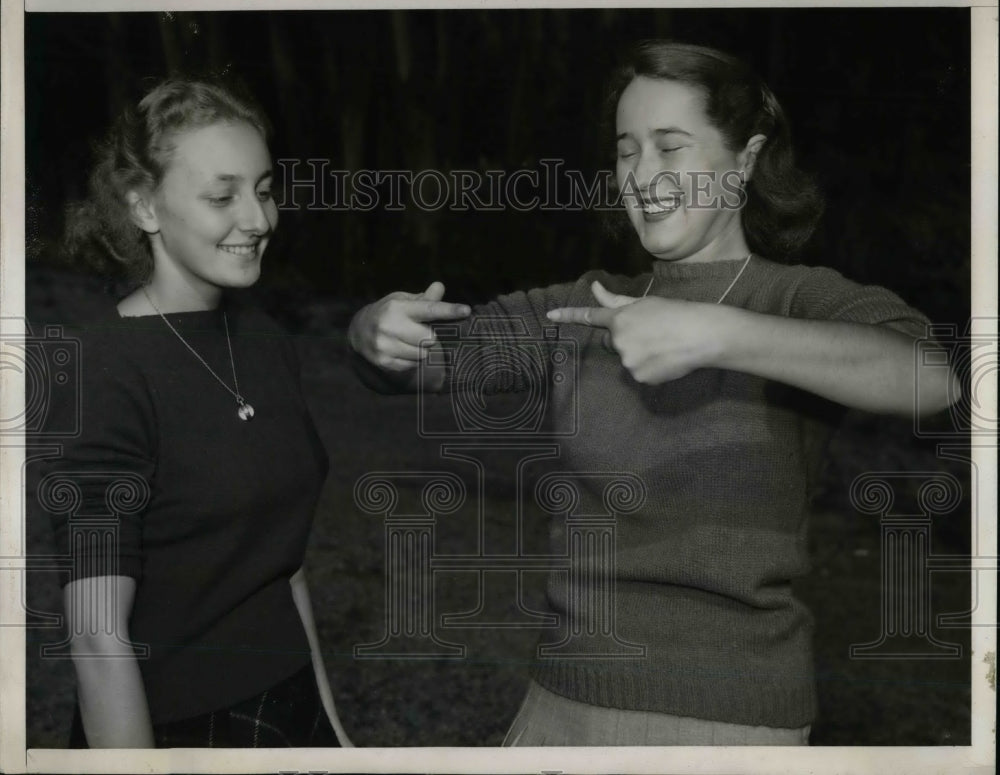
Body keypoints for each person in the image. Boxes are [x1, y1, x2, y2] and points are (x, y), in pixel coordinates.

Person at [347, 41, 960, 745]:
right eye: (626, 149)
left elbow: (932, 378)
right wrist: (374, 335)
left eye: (671, 147)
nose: (642, 174)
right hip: (562, 703)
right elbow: (422, 361)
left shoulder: (795, 298)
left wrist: (720, 333)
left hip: (733, 722)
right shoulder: (587, 303)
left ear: (744, 161)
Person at [42, 77, 351, 748]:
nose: (259, 218)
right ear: (145, 207)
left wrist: (334, 731)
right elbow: (98, 637)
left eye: (264, 189)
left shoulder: (267, 342)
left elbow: (285, 569)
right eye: (222, 196)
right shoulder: (103, 369)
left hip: (291, 710)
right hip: (179, 732)